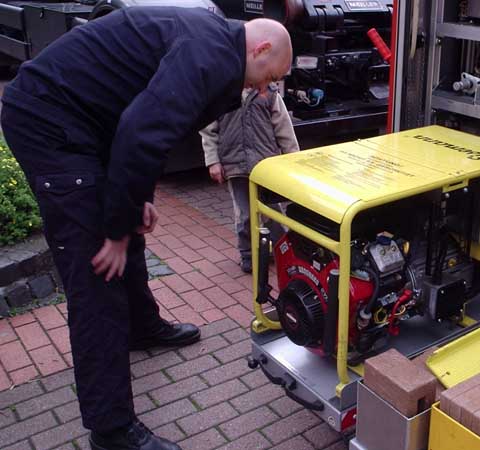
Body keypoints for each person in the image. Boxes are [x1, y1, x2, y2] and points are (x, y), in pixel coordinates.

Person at [1, 7, 292, 450]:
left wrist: (139, 202)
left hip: (89, 122)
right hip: (49, 121)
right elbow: (141, 132)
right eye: (270, 77)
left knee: (126, 222)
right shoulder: (209, 55)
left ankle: (142, 326)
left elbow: (151, 129)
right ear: (261, 49)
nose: (265, 88)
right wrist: (116, 232)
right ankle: (112, 431)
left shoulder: (215, 46)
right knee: (97, 270)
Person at [200, 84, 299, 273]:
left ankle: (283, 251)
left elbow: (284, 127)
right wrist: (213, 161)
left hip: (265, 165)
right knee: (245, 214)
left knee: (272, 212)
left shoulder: (268, 92)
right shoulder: (220, 92)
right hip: (235, 164)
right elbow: (208, 129)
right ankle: (247, 253)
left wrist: (293, 158)